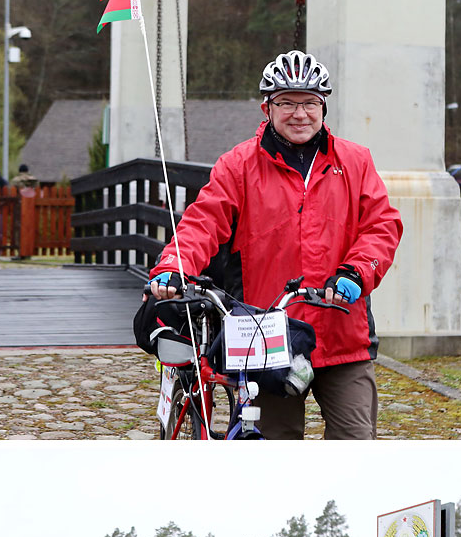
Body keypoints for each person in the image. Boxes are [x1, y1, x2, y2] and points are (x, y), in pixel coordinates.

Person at [146, 50, 402, 439]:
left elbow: (381, 226)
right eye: (286, 102)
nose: (299, 113)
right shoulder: (238, 165)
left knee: (355, 445)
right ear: (267, 107)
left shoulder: (355, 161)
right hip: (267, 335)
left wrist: (356, 271)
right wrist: (173, 267)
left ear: (323, 108)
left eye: (309, 103)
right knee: (272, 456)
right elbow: (203, 222)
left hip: (341, 332)